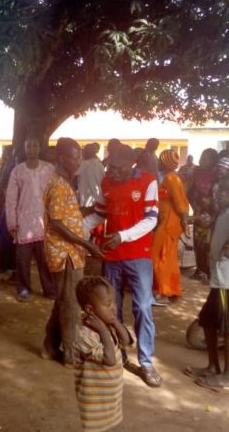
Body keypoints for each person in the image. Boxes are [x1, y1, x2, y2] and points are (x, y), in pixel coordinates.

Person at [84, 144, 162, 387]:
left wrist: (123, 235)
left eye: (118, 168)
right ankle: (119, 353)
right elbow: (99, 214)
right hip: (112, 255)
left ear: (131, 165)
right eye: (110, 167)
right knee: (111, 307)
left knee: (142, 307)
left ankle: (146, 362)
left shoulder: (148, 181)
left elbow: (151, 220)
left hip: (139, 255)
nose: (112, 172)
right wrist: (78, 230)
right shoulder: (107, 182)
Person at [187, 172, 229, 392]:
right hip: (220, 279)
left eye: (226, 190)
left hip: (228, 282)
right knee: (208, 321)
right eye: (220, 189)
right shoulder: (227, 212)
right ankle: (213, 367)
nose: (220, 193)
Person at [42, 138, 102, 368]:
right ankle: (68, 351)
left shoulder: (66, 182)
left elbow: (67, 215)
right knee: (70, 303)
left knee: (63, 300)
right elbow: (56, 223)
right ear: (62, 159)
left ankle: (49, 346)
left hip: (71, 251)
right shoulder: (58, 185)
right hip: (65, 252)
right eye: (75, 157)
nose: (79, 161)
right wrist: (87, 245)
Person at [74, 277, 133, 431]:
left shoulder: (110, 324)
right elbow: (109, 360)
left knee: (108, 424)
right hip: (94, 397)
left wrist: (114, 322)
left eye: (114, 302)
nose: (114, 308)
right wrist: (102, 331)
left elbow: (126, 341)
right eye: (108, 304)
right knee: (96, 427)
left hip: (111, 393)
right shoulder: (84, 334)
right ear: (90, 310)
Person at [5, 136, 56, 302]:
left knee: (45, 260)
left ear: (39, 148)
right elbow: (11, 198)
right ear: (25, 149)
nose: (32, 149)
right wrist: (12, 222)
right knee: (22, 261)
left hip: (45, 222)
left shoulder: (49, 169)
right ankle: (24, 289)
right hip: (24, 222)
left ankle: (49, 289)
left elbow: (56, 194)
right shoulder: (17, 171)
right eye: (28, 146)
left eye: (34, 145)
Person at [151, 149, 190, 306]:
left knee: (159, 257)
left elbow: (180, 202)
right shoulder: (171, 177)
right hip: (167, 222)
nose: (158, 163)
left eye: (160, 160)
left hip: (168, 224)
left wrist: (185, 221)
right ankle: (171, 290)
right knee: (168, 258)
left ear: (166, 162)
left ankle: (163, 292)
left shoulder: (170, 178)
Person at [189, 148, 219, 282]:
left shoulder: (217, 175)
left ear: (213, 161)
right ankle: (200, 269)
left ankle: (209, 271)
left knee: (210, 244)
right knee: (198, 242)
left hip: (213, 214)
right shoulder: (195, 173)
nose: (201, 160)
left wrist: (213, 214)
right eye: (201, 157)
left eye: (205, 159)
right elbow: (189, 191)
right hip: (199, 212)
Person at [76, 143, 105, 208]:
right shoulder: (100, 165)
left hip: (86, 200)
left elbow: (74, 176)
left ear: (87, 152)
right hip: (98, 199)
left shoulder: (83, 164)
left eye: (84, 151)